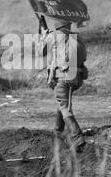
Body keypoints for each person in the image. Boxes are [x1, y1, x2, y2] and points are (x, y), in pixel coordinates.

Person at [38, 18, 89, 153]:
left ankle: (77, 137)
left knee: (64, 106)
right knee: (62, 103)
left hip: (62, 77)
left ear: (56, 26)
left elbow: (40, 51)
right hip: (76, 77)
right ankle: (58, 131)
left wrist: (44, 35)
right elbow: (84, 57)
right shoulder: (76, 36)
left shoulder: (52, 36)